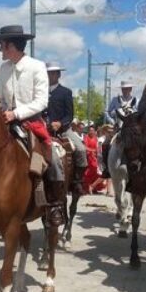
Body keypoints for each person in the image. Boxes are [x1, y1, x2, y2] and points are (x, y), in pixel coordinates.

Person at [0, 25, 66, 226]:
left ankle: (54, 204)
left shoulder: (37, 66)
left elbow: (42, 101)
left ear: (11, 46)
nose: (0, 50)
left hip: (31, 122)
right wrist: (0, 112)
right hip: (5, 121)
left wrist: (15, 113)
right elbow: (1, 98)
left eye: (2, 46)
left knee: (55, 161)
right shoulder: (4, 68)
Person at [44, 62, 87, 194]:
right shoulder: (41, 92)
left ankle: (77, 181)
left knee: (81, 149)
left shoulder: (65, 92)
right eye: (48, 73)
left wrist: (60, 124)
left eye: (53, 73)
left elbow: (69, 114)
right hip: (44, 129)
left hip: (63, 130)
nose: (50, 75)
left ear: (58, 75)